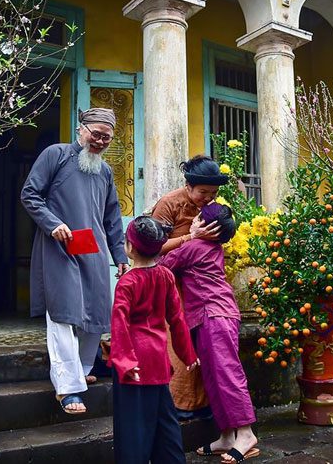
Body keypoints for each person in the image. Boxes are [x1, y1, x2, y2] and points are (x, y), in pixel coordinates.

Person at [21, 108, 130, 415]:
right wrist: (51, 223)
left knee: (97, 314)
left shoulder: (105, 171)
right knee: (63, 313)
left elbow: (112, 217)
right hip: (59, 246)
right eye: (96, 134)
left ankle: (82, 369)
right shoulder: (56, 155)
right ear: (81, 129)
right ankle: (68, 388)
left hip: (92, 249)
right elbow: (30, 194)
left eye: (106, 138)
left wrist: (118, 254)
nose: (100, 142)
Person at [159, 203, 259, 464]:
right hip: (213, 316)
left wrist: (190, 235)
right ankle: (226, 435)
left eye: (199, 219)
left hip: (214, 316)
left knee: (226, 373)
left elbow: (163, 265)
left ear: (206, 226)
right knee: (213, 377)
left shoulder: (194, 247)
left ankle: (246, 433)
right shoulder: (213, 247)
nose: (194, 220)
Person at [109, 216, 199, 464]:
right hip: (158, 358)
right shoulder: (166, 276)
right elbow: (178, 319)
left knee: (133, 429)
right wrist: (188, 354)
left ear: (130, 248)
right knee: (164, 423)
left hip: (134, 362)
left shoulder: (127, 282)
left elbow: (120, 325)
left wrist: (125, 363)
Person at [150, 155, 226, 419]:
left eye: (213, 193)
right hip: (170, 281)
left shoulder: (211, 206)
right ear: (189, 186)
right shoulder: (169, 203)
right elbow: (153, 247)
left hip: (199, 285)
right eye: (203, 192)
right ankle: (179, 404)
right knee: (177, 341)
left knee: (200, 343)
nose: (208, 198)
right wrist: (190, 237)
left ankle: (200, 403)